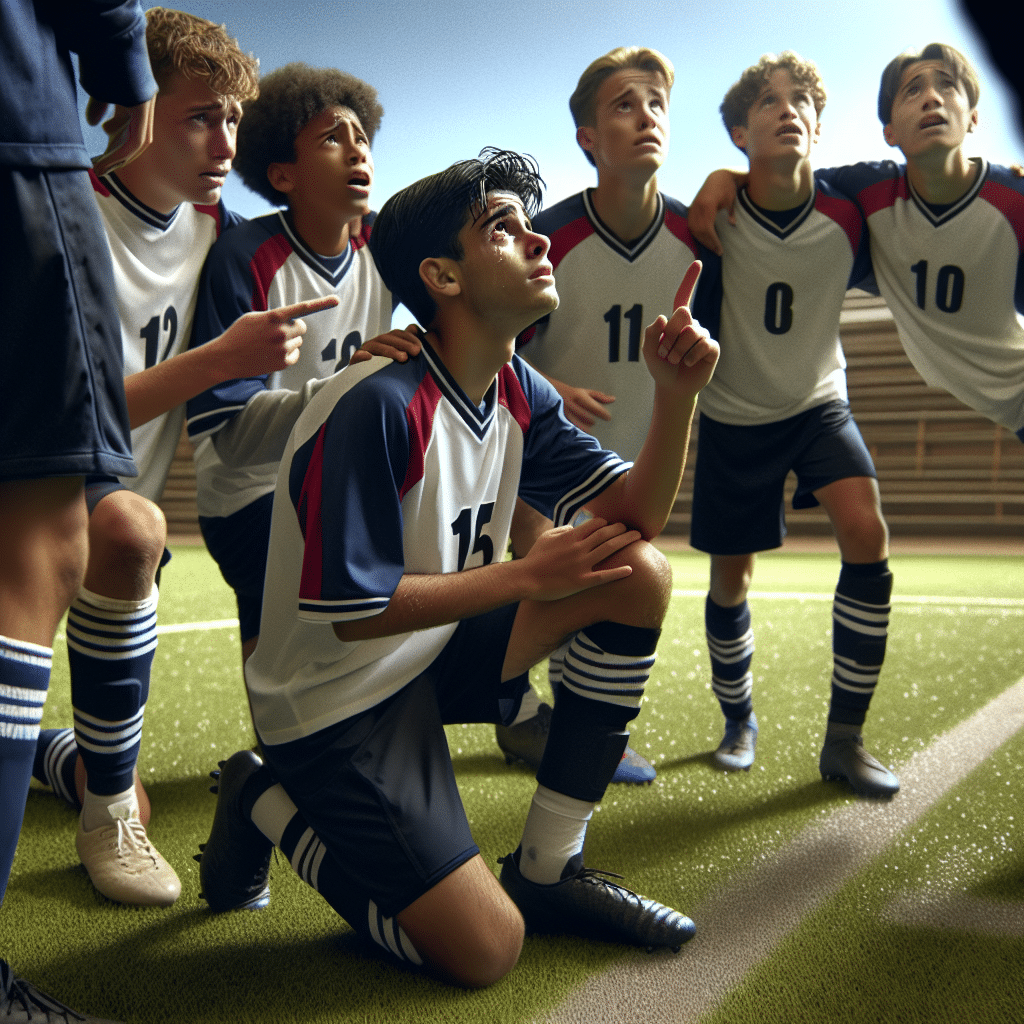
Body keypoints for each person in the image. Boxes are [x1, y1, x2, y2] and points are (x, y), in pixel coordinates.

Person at [196, 148, 718, 987]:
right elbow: (353, 610)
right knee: (485, 952)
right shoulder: (375, 403)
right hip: (337, 702)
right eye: (504, 228)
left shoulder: (515, 384)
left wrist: (677, 394)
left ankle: (550, 867)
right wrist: (523, 578)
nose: (540, 241)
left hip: (432, 650)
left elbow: (638, 518)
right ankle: (265, 795)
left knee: (640, 573)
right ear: (440, 275)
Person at [29, 7, 335, 909]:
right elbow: (62, 417)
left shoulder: (220, 232)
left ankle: (102, 794)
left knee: (129, 525)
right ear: (130, 107)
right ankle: (97, 783)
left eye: (234, 119)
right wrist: (218, 361)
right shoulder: (57, 213)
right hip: (27, 485)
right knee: (128, 520)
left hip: (111, 507)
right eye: (202, 115)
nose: (224, 138)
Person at [685, 53, 898, 799]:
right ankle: (737, 720)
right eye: (767, 103)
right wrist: (719, 181)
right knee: (731, 578)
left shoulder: (851, 206)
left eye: (800, 100)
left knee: (865, 530)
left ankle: (845, 739)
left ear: (817, 122)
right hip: (734, 414)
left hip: (817, 403)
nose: (787, 110)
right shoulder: (712, 218)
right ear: (741, 133)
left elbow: (937, 181)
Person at [1, 0, 155, 1018]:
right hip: (12, 127)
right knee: (35, 554)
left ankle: (105, 802)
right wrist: (123, 57)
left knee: (119, 529)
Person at [503, 45, 702, 783]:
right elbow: (479, 348)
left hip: (633, 454)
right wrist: (548, 382)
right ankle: (518, 716)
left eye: (656, 103)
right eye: (624, 103)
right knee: (553, 578)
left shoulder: (699, 234)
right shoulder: (544, 240)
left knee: (619, 581)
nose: (646, 115)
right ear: (587, 136)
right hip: (536, 457)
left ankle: (560, 726)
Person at [185, 63, 418, 668]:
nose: (356, 150)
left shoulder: (386, 250)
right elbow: (230, 439)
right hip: (251, 491)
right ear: (283, 175)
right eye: (331, 139)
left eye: (360, 136)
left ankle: (504, 702)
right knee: (294, 651)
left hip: (335, 473)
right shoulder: (245, 256)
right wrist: (343, 391)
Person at [689, 42, 1024, 443]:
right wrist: (725, 177)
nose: (932, 97)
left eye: (947, 86)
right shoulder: (869, 190)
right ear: (889, 131)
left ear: (973, 117)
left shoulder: (1012, 200)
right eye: (913, 90)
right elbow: (782, 177)